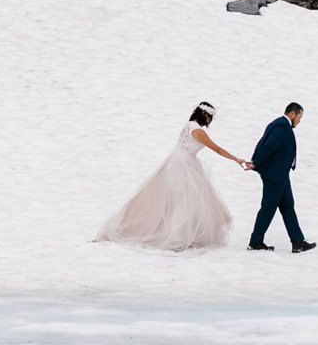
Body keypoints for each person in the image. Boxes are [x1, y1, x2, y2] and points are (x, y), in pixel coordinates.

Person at [96, 103, 248, 251]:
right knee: (186, 201)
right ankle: (177, 238)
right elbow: (216, 148)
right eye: (210, 118)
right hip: (183, 164)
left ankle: (181, 235)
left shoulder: (188, 126)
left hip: (178, 161)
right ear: (205, 115)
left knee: (184, 200)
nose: (210, 122)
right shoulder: (198, 131)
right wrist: (235, 159)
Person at [245, 103, 316, 253]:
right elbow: (268, 145)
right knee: (268, 208)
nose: (299, 121)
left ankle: (297, 241)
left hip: (281, 175)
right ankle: (255, 241)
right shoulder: (283, 127)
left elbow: (262, 143)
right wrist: (256, 162)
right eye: (299, 117)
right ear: (292, 114)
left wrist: (256, 162)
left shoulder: (278, 124)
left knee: (287, 206)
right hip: (275, 176)